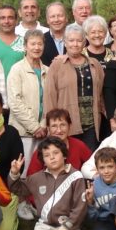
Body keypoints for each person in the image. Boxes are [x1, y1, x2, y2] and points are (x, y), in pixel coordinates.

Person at [9, 137, 88, 230]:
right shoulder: (37, 178)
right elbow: (18, 189)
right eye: (47, 155)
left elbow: (80, 209)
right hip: (44, 225)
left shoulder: (76, 177)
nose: (52, 157)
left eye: (56, 153)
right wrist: (14, 173)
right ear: (43, 161)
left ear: (64, 155)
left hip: (67, 226)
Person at [43, 23, 105, 150]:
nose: (75, 44)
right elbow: (50, 96)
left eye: (79, 40)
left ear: (84, 43)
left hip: (91, 125)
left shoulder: (95, 64)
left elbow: (101, 93)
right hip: (66, 124)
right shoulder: (57, 65)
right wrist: (51, 125)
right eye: (71, 40)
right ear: (65, 42)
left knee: (89, 162)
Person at [7, 29, 50, 172]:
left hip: (44, 132)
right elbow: (15, 102)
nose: (36, 47)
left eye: (40, 44)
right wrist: (34, 127)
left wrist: (43, 125)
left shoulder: (48, 71)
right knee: (23, 171)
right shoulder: (17, 69)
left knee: (42, 172)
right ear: (25, 46)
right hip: (22, 132)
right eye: (33, 44)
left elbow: (50, 100)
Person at [26, 108, 93, 176]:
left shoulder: (79, 146)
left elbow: (93, 166)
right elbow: (31, 178)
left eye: (63, 125)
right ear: (48, 128)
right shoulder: (42, 149)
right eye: (54, 126)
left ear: (69, 126)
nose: (59, 130)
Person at [0, 5, 24, 78]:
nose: (6, 21)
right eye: (3, 18)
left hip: (19, 88)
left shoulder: (25, 42)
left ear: (16, 21)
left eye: (10, 18)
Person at [41, 1, 68, 66]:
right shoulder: (41, 40)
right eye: (52, 16)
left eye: (60, 16)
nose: (56, 20)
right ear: (47, 20)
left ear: (66, 18)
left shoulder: (76, 38)